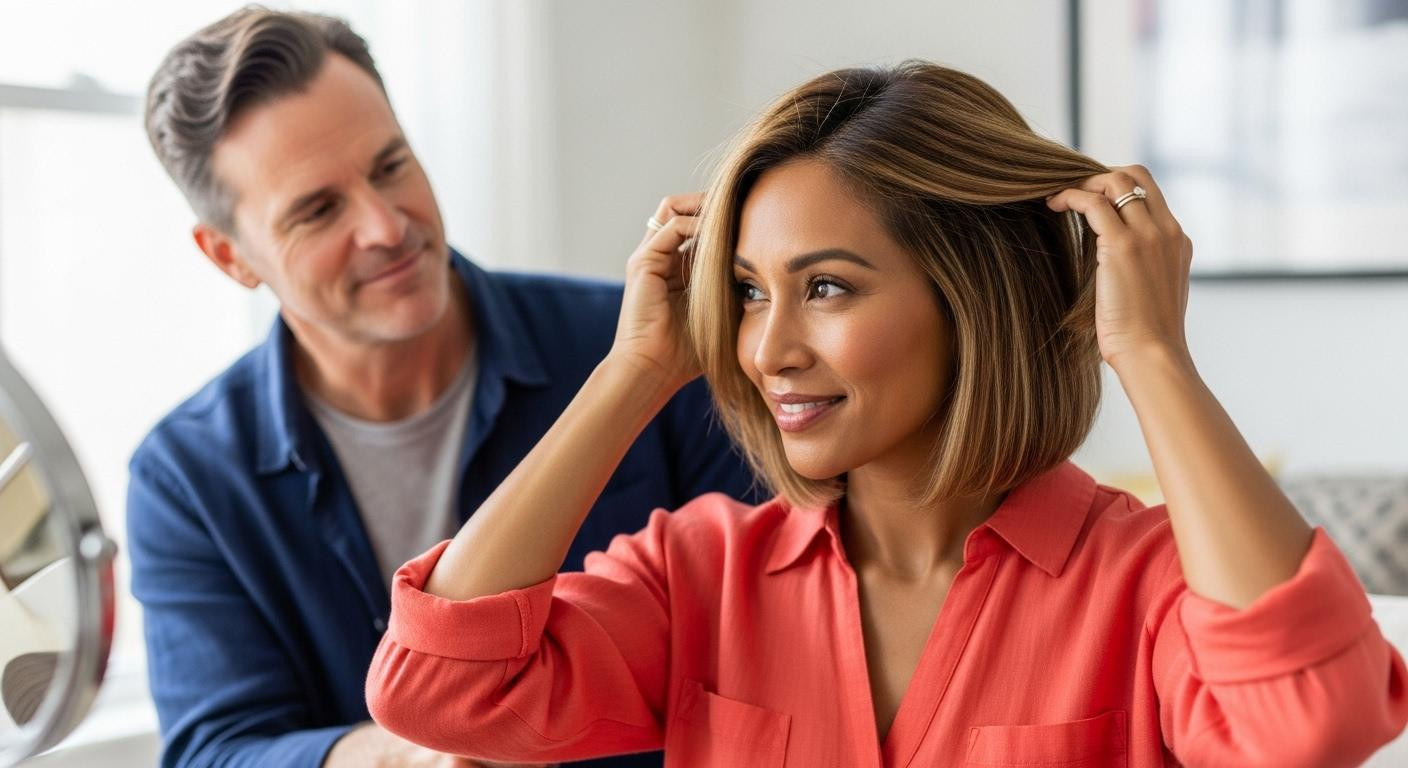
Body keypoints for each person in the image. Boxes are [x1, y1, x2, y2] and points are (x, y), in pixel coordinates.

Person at [364, 62, 1408, 766]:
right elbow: (434, 683)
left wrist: (1149, 351)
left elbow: (1314, 719)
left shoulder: (1145, 587)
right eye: (746, 291)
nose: (767, 350)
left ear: (969, 297)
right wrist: (635, 369)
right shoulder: (699, 575)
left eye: (826, 287)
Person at [127, 8, 756, 768]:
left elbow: (778, 620)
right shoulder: (187, 475)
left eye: (391, 166)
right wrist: (416, 752)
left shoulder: (642, 347)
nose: (387, 227)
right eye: (319, 210)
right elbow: (215, 749)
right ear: (230, 256)